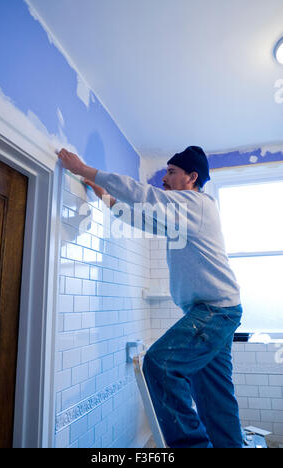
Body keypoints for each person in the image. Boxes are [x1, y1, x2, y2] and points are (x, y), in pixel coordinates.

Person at [57, 146, 243, 448]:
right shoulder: (181, 216)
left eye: (171, 172)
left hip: (214, 311)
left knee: (159, 364)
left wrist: (84, 169)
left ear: (192, 177)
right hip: (217, 311)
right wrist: (105, 196)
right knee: (214, 396)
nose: (164, 179)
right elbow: (142, 219)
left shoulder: (197, 204)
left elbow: (146, 196)